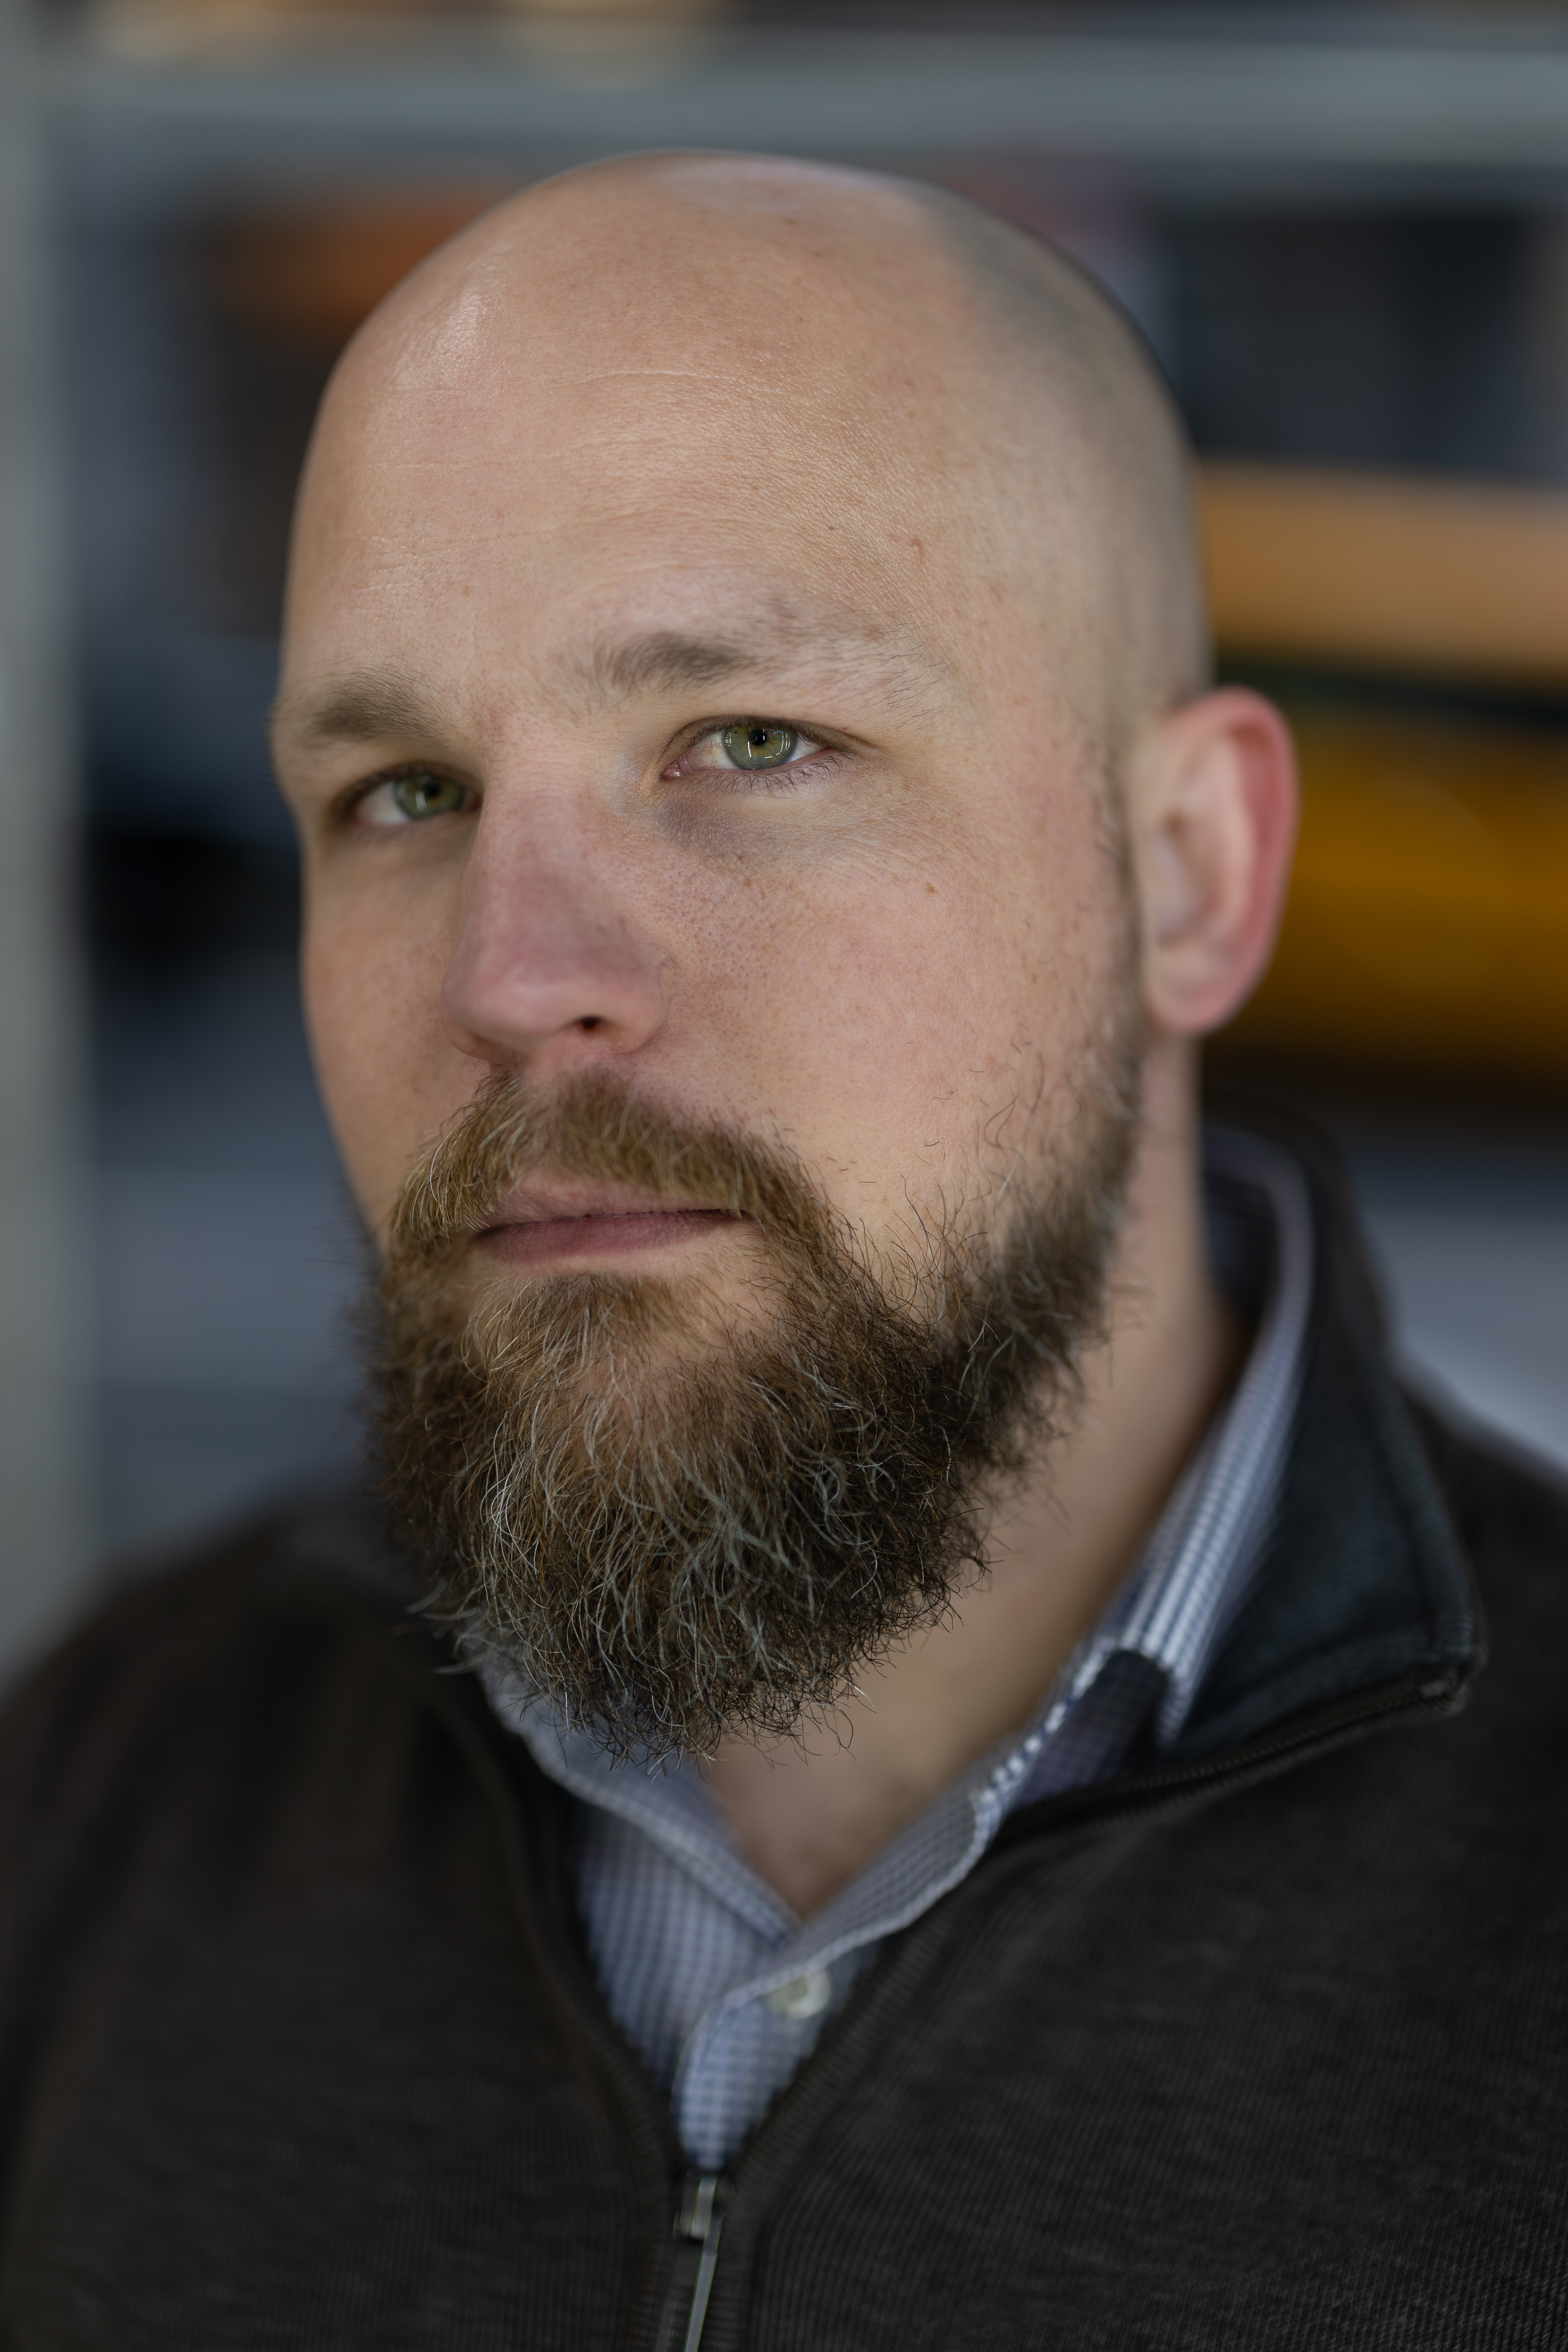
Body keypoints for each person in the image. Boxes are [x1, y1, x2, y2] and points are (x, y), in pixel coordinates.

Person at [1, 151, 1562, 2349]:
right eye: (407, 795)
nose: (516, 980)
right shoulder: (110, 1799)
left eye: (751, 744)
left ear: (1194, 874)